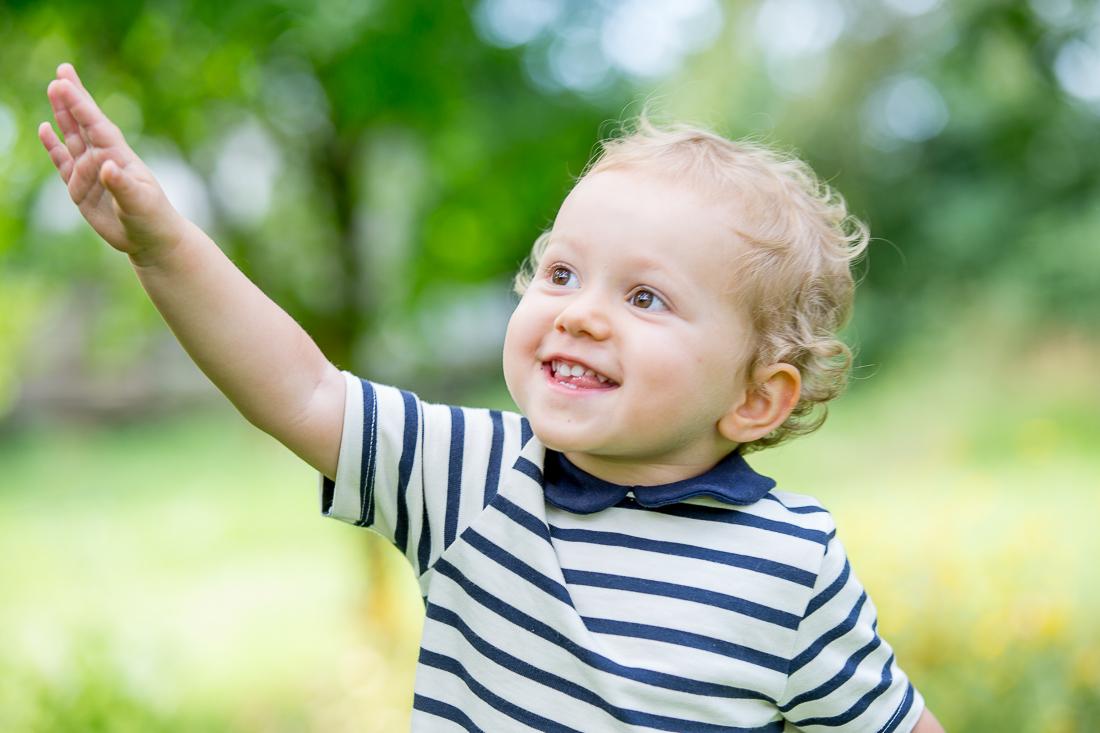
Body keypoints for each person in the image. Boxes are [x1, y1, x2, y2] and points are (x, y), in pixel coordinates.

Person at [40, 62, 945, 732]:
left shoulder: (791, 566)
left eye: (644, 297)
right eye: (561, 271)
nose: (580, 315)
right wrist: (163, 247)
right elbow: (302, 388)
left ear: (755, 399)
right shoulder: (474, 476)